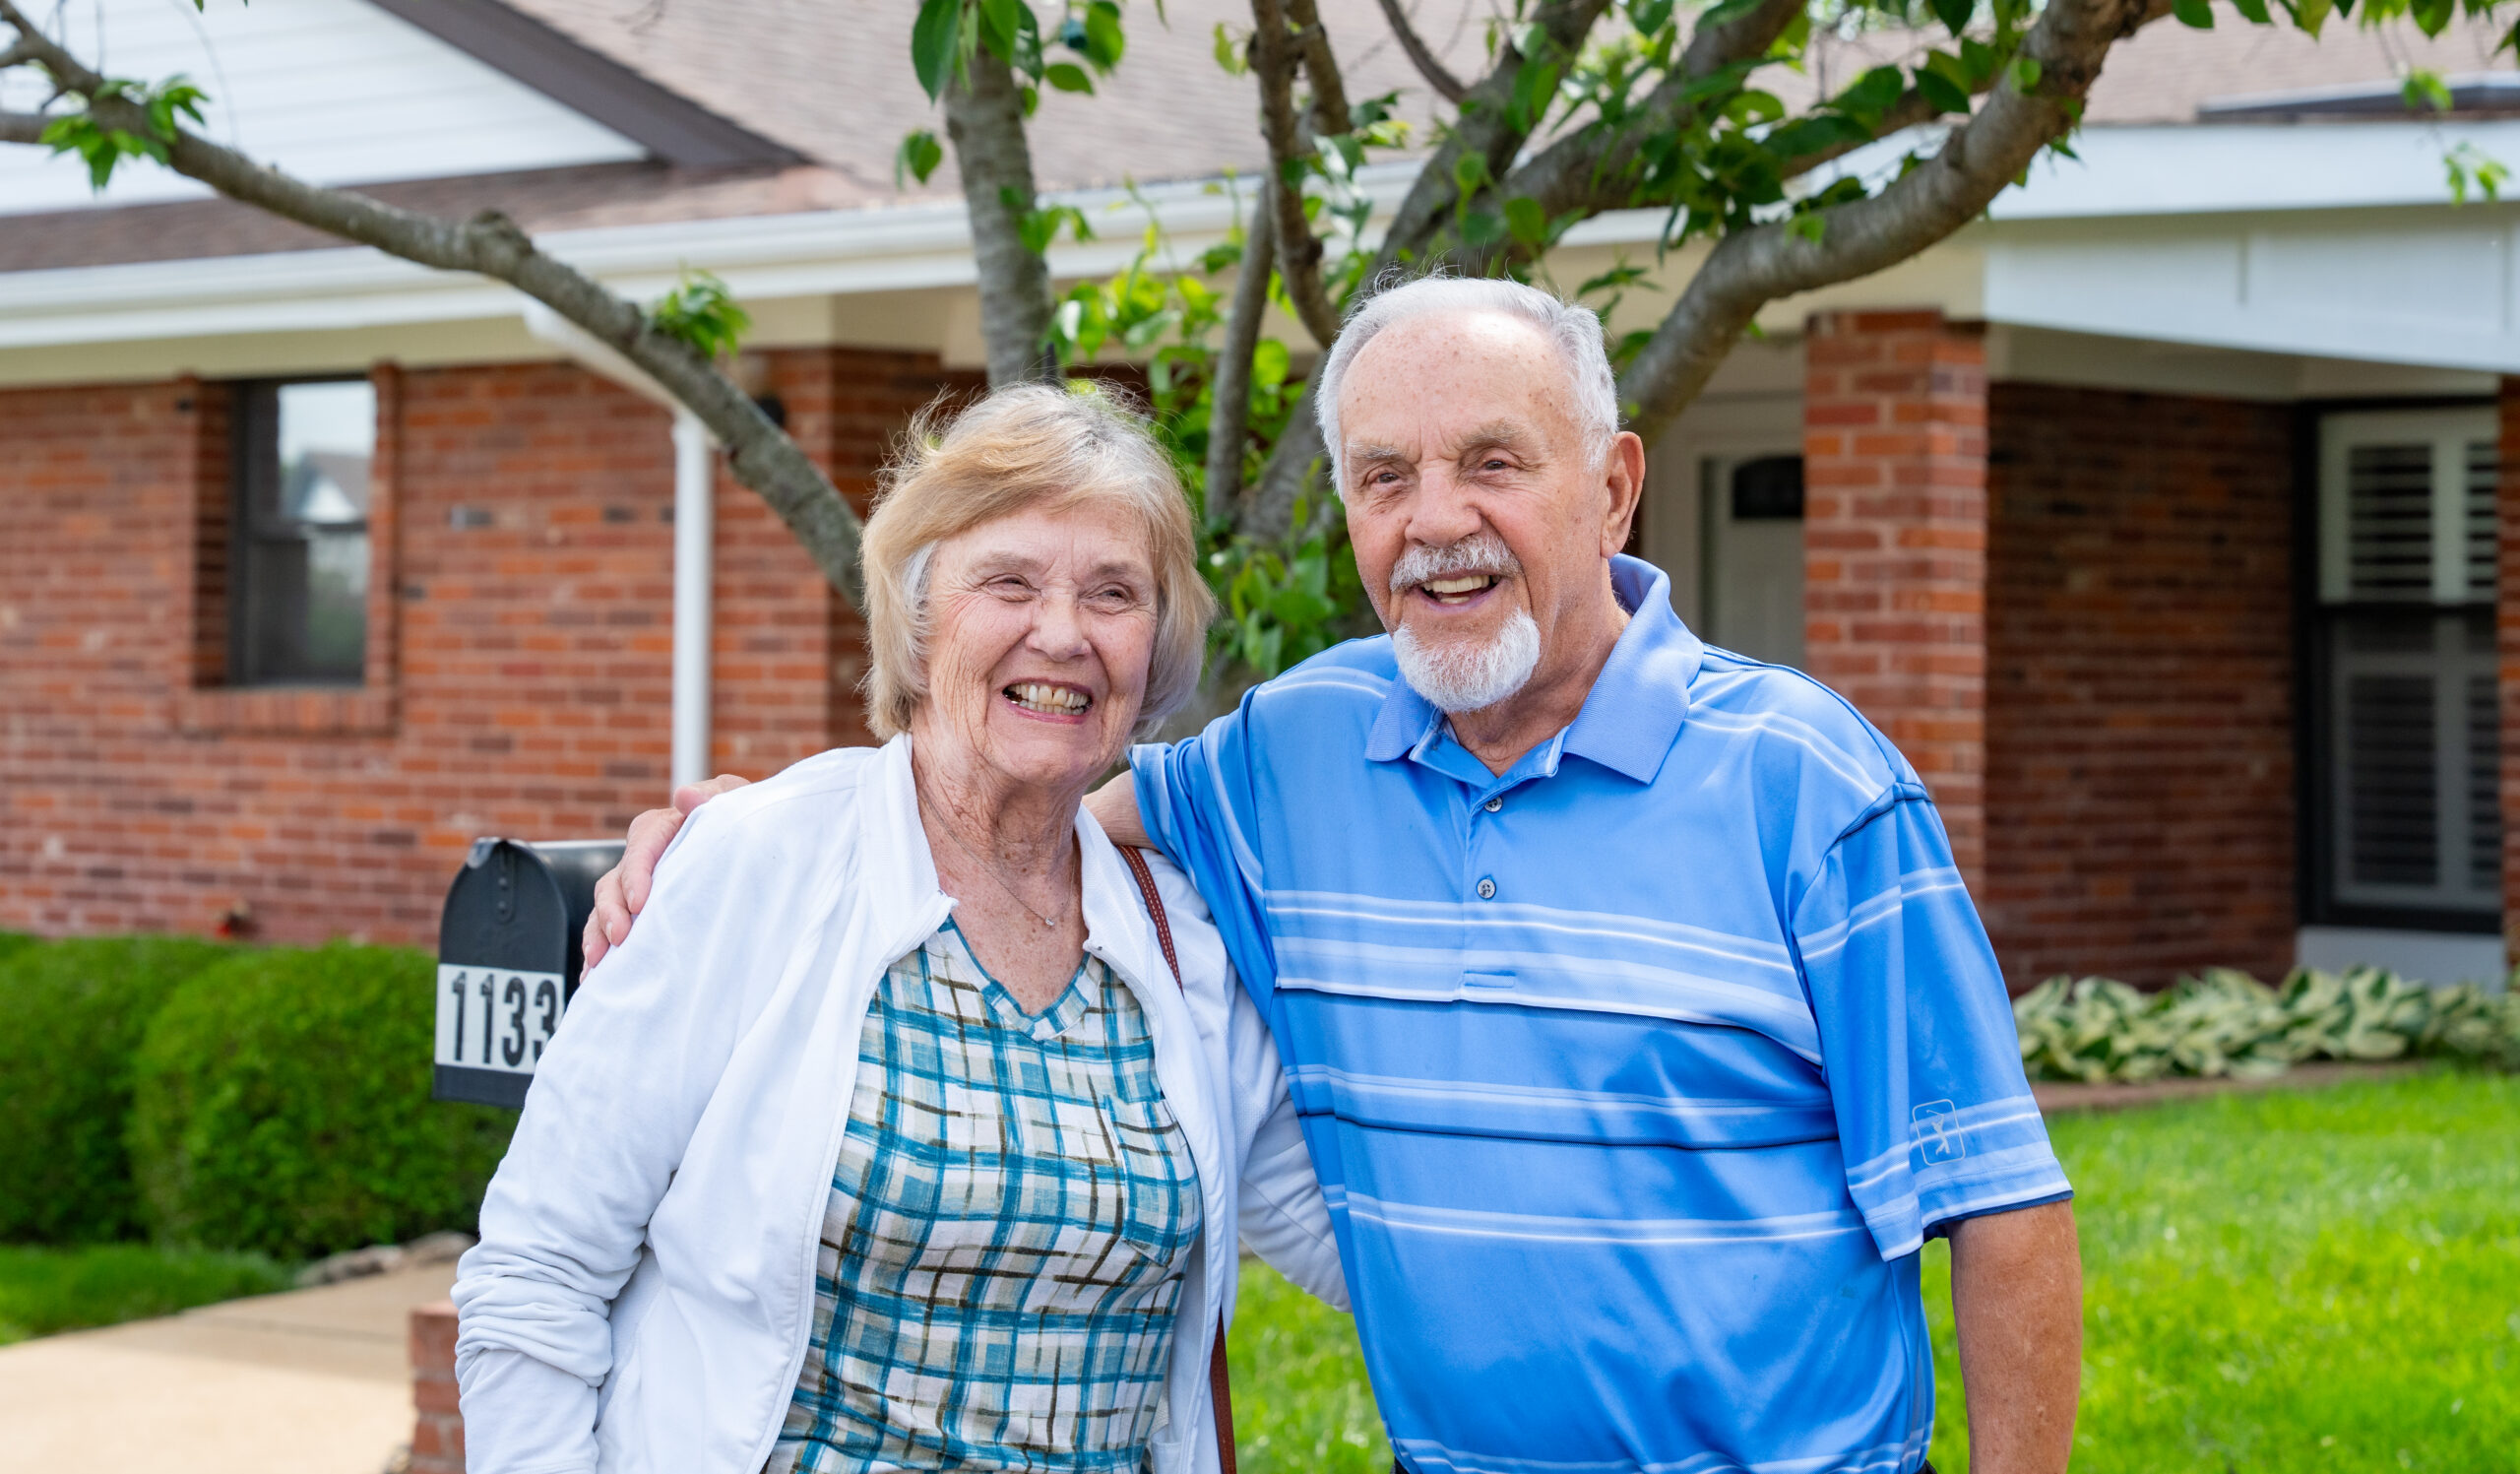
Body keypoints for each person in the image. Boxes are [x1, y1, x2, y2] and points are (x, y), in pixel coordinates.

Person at [593, 279, 2083, 1474]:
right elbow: (994, 810)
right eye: (1387, 476)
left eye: (1494, 463)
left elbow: (2002, 1211)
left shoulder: (1806, 784)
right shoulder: (1294, 756)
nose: (1438, 520)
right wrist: (754, 832)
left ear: (1614, 488)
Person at [454, 384, 1343, 1474]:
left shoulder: (1179, 940)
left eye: (1113, 593)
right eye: (1008, 581)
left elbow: (1357, 1237)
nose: (1062, 634)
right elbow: (538, 1275)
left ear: (1153, 647)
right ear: (918, 621)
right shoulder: (757, 864)